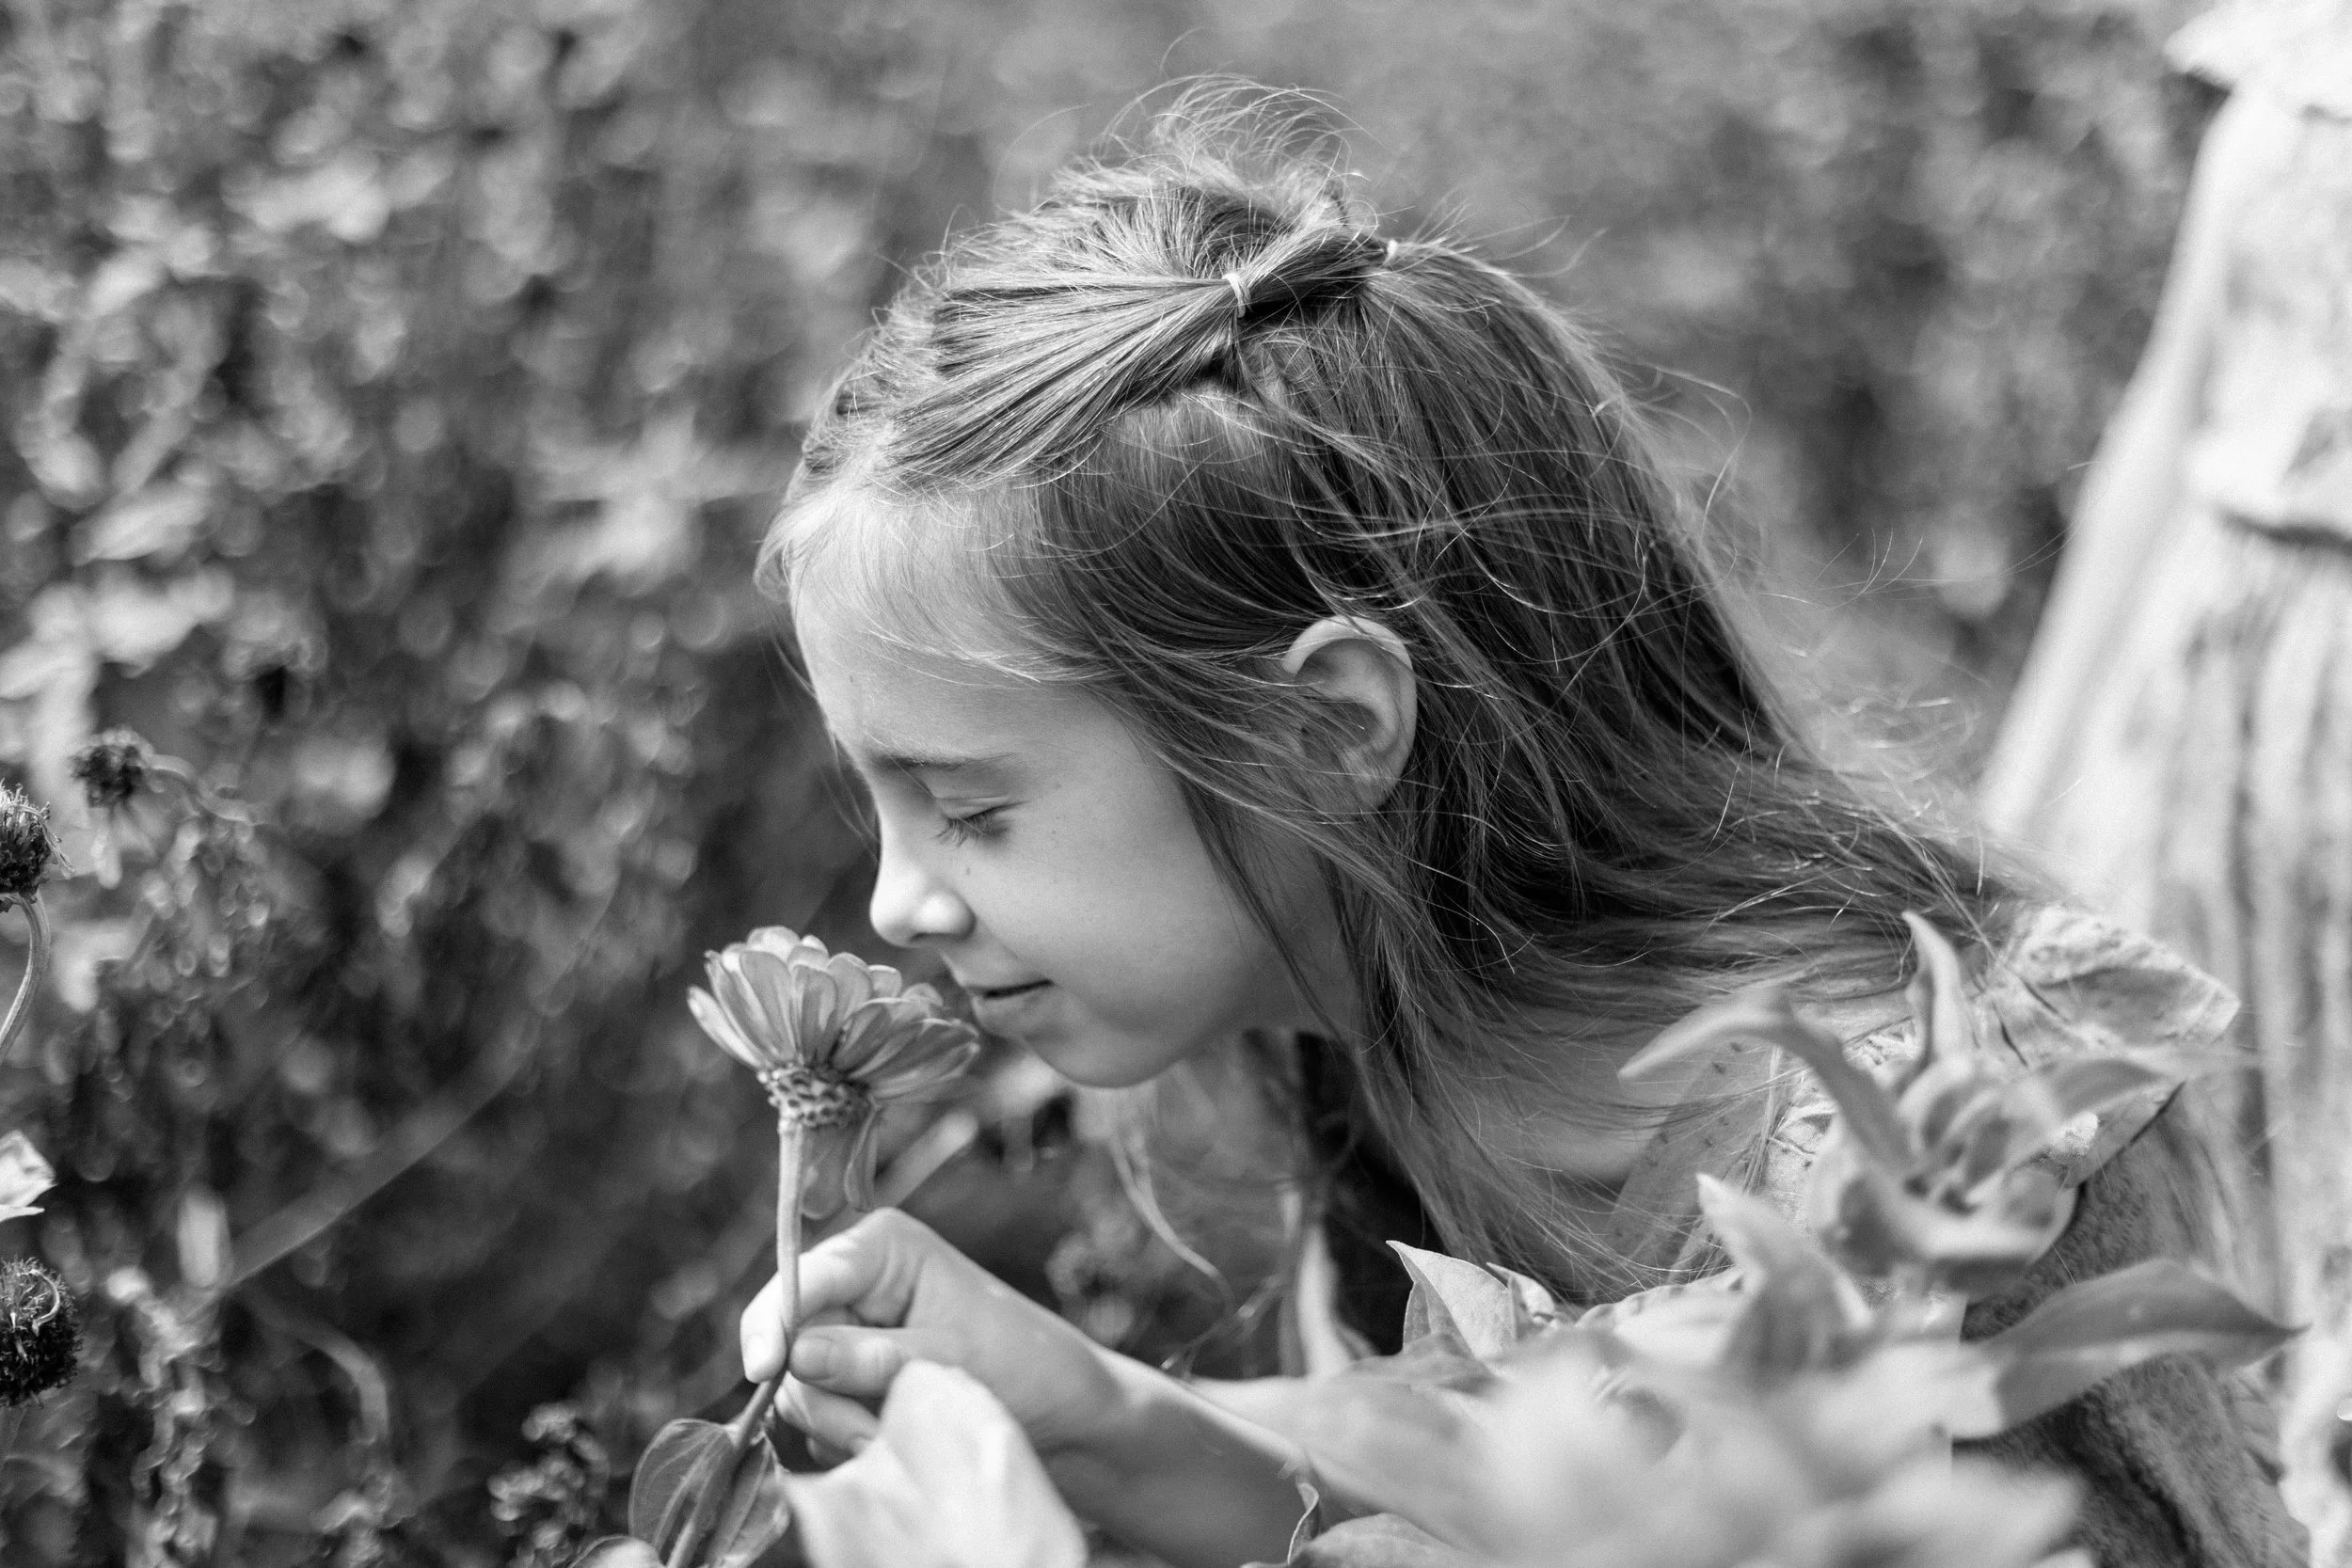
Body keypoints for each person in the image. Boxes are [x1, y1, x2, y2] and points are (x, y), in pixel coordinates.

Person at [739, 100, 2299, 1568]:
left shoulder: (1918, 1180)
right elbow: (1456, 1490)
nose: (895, 903)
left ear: (1331, 730)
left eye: (971, 809)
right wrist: (1080, 1407)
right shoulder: (1362, 997)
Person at [1979, 1, 2352, 1555]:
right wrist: (2010, 815)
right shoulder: (2308, 48)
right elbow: (2168, 414)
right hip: (2199, 714)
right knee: (2177, 1242)